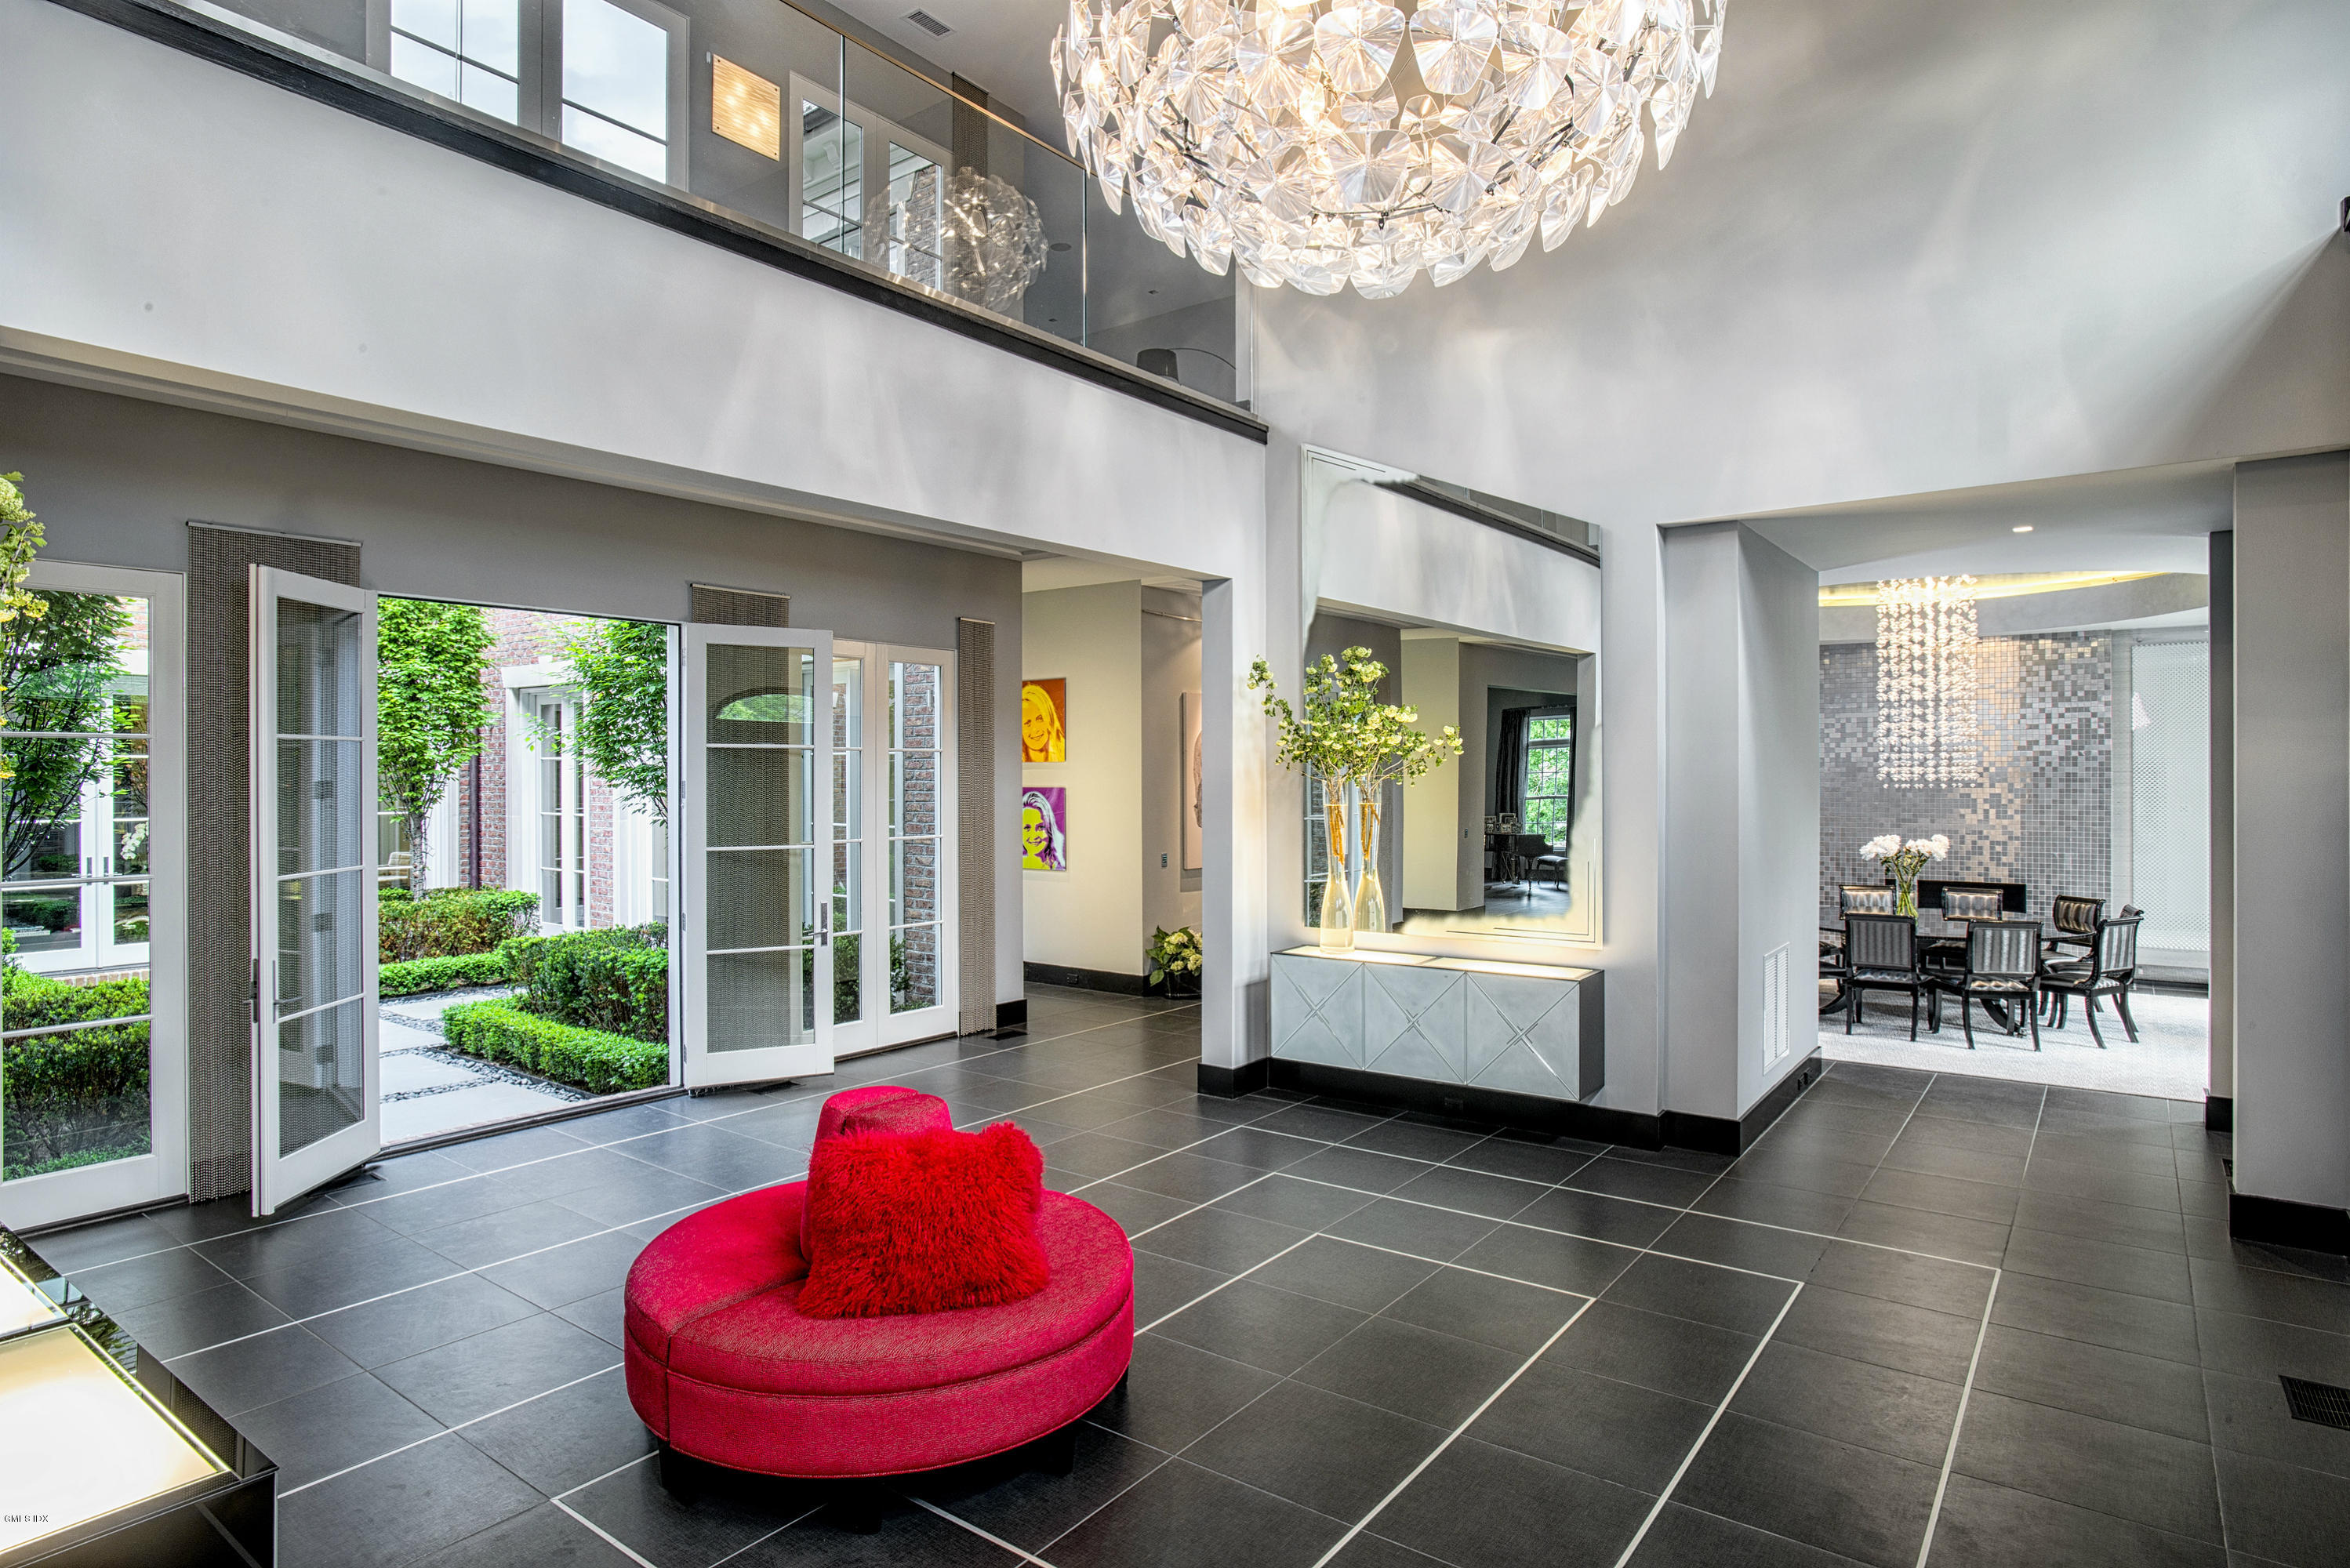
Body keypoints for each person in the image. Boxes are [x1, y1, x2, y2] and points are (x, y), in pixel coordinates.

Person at [1020, 789, 1066, 871]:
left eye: (1041, 827)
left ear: (1049, 829)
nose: (1034, 836)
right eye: (1027, 828)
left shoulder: (1058, 869)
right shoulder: (1011, 867)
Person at [1020, 681, 1065, 762]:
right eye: (1026, 723)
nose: (1035, 729)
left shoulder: (1065, 752)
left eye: (1040, 719)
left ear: (1050, 718)